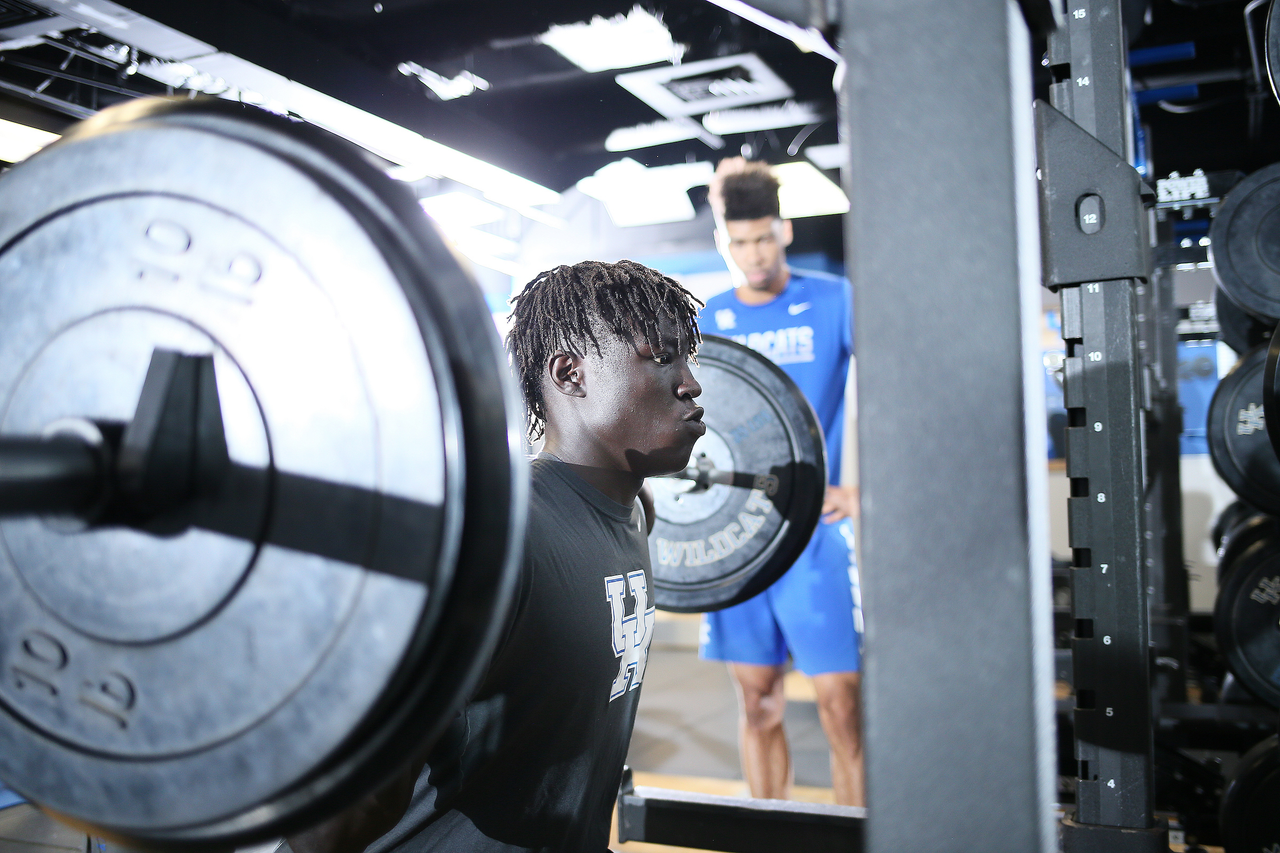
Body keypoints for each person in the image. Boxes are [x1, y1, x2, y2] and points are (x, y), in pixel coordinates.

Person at [287, 260, 705, 853]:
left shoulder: (636, 513)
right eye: (660, 358)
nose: (690, 384)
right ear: (570, 373)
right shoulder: (497, 537)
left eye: (689, 360)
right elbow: (330, 828)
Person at [698, 158, 864, 807]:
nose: (754, 253)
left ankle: (858, 835)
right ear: (724, 243)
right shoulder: (709, 315)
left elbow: (897, 385)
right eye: (740, 241)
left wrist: (864, 488)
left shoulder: (834, 299)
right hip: (739, 540)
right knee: (758, 700)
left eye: (764, 236)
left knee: (839, 706)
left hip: (816, 537)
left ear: (785, 230)